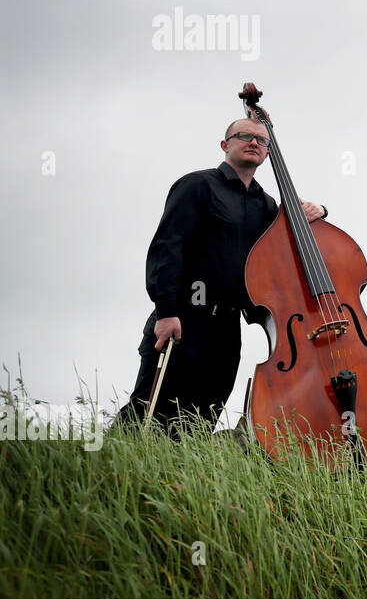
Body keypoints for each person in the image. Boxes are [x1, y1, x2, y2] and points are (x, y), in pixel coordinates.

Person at [116, 118, 324, 432]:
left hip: (227, 328)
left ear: (268, 154)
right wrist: (166, 312)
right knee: (148, 413)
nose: (254, 142)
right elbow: (167, 247)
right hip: (184, 316)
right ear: (225, 145)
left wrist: (321, 210)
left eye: (261, 140)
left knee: (200, 422)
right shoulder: (197, 185)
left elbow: (289, 242)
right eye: (244, 136)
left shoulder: (265, 206)